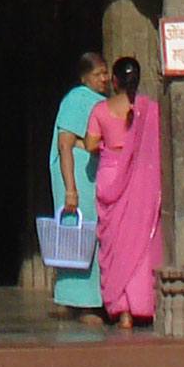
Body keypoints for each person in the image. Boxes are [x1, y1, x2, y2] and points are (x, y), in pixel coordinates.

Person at [84, 54, 161, 326]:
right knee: (141, 241)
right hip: (142, 180)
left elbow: (92, 144)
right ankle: (143, 305)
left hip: (110, 175)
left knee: (116, 244)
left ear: (114, 80)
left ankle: (123, 311)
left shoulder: (100, 110)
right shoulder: (150, 109)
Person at [47, 51, 107, 313]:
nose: (103, 79)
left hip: (91, 176)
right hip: (76, 177)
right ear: (84, 78)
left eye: (105, 73)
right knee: (78, 233)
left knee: (94, 234)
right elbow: (65, 144)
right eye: (97, 74)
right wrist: (70, 188)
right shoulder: (76, 100)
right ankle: (79, 301)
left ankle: (93, 299)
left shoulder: (101, 101)